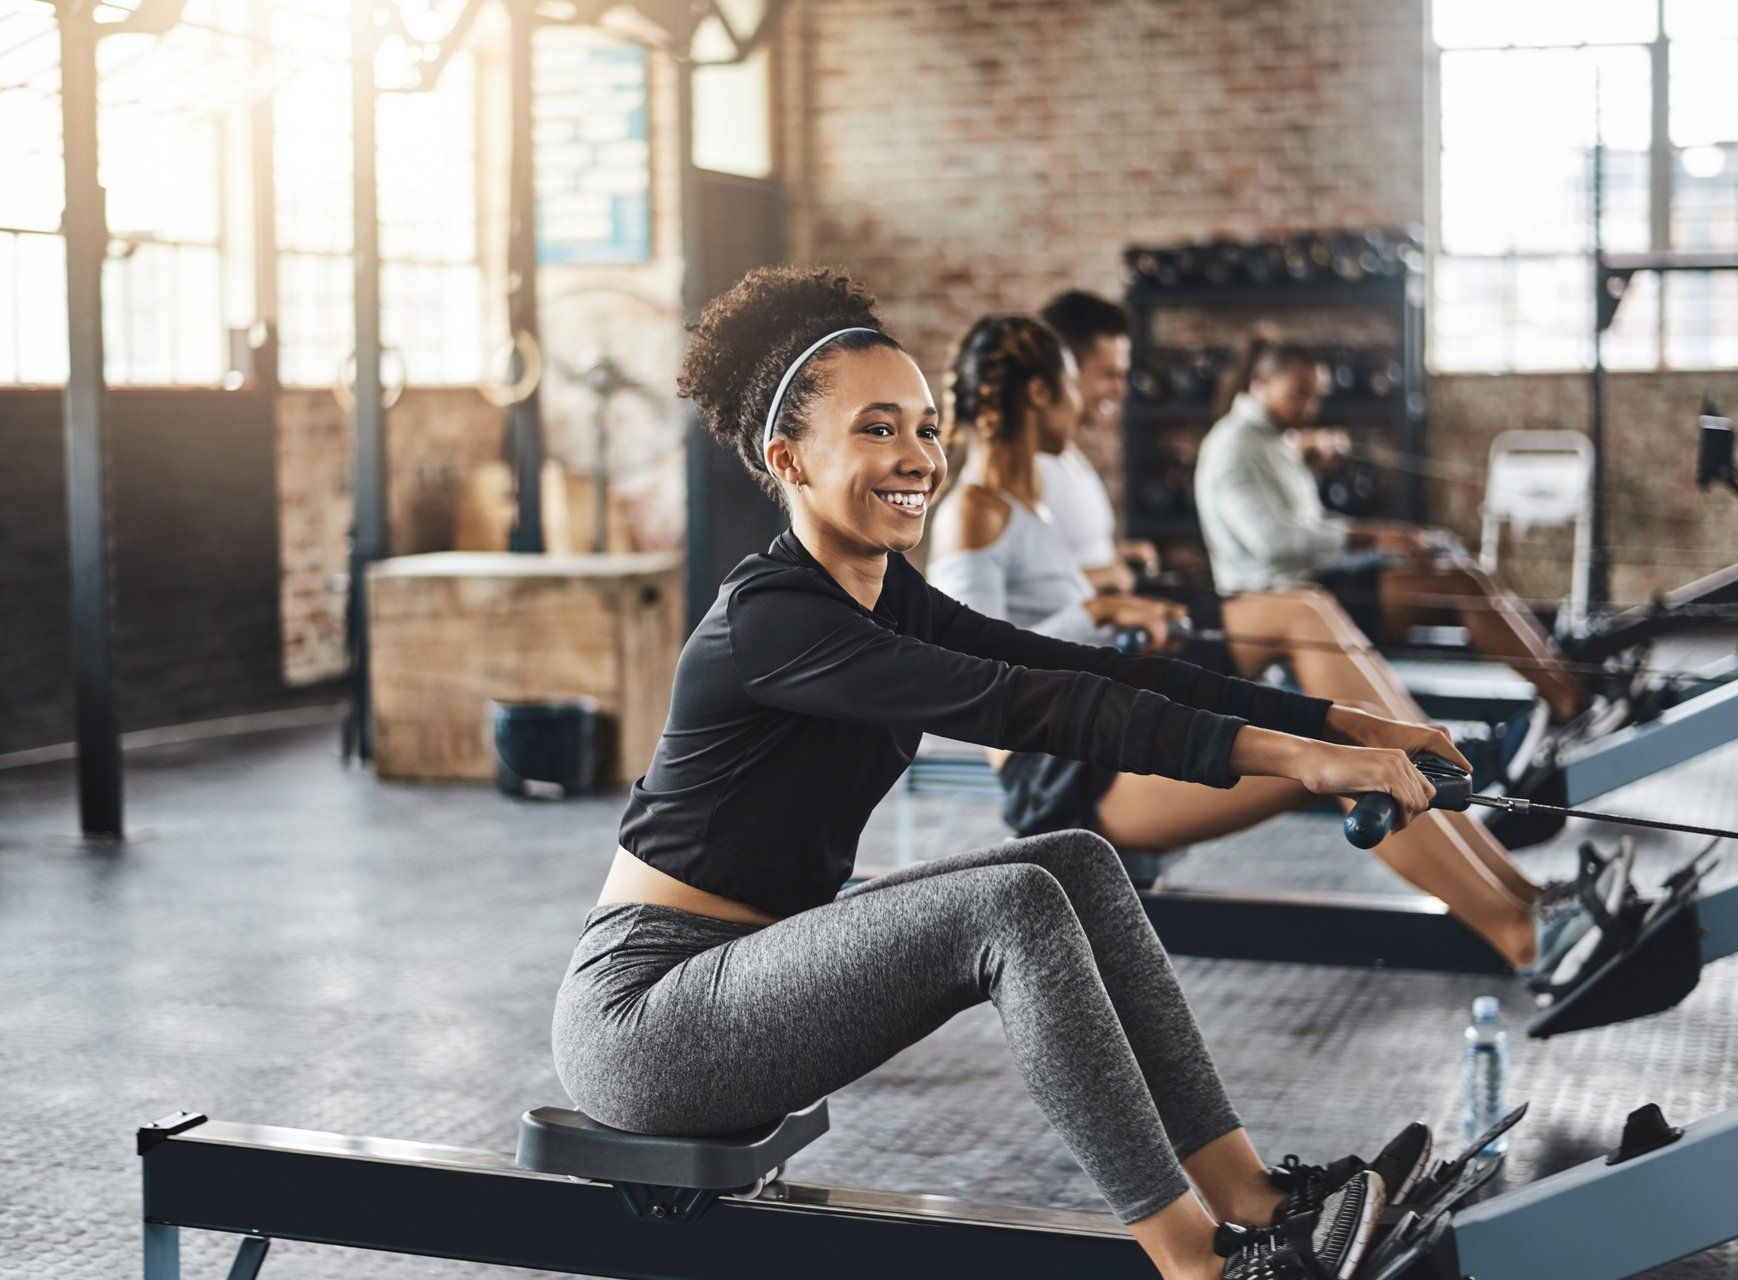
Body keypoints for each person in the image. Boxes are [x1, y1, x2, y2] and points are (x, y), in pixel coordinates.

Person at [552, 266, 1468, 1280]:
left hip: (749, 966)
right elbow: (1037, 710)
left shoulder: (881, 590)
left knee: (1074, 857)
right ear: (790, 459)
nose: (918, 458)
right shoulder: (773, 617)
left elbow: (1082, 667)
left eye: (927, 426)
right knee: (1014, 906)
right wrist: (1305, 763)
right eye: (877, 428)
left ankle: (1253, 1199)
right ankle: (1202, 1264)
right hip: (650, 1014)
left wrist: (1343, 717)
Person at [927, 314, 1625, 978]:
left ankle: (1529, 899)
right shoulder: (973, 508)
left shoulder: (1026, 504)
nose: (1086, 403)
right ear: (1042, 392)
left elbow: (1042, 616)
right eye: (1076, 386)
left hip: (1112, 723)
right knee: (1344, 769)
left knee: (1349, 720)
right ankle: (1522, 935)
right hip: (1066, 775)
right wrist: (1103, 608)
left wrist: (1112, 598)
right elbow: (973, 666)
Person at [1195, 338, 1594, 724]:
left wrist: (1389, 541)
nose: (1310, 408)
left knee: (1465, 572)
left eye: (1315, 396)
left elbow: (1307, 526)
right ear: (1260, 385)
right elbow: (1272, 542)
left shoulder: (1271, 440)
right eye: (1300, 394)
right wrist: (1371, 537)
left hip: (1316, 581)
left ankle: (1570, 681)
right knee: (1458, 585)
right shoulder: (1233, 446)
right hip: (1278, 600)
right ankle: (1569, 699)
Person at [1035, 289, 1160, 592]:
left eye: (1123, 376)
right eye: (1109, 375)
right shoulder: (1025, 467)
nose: (1121, 390)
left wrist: (1114, 557)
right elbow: (1022, 589)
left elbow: (1059, 559)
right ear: (1064, 371)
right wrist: (1106, 575)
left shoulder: (1068, 454)